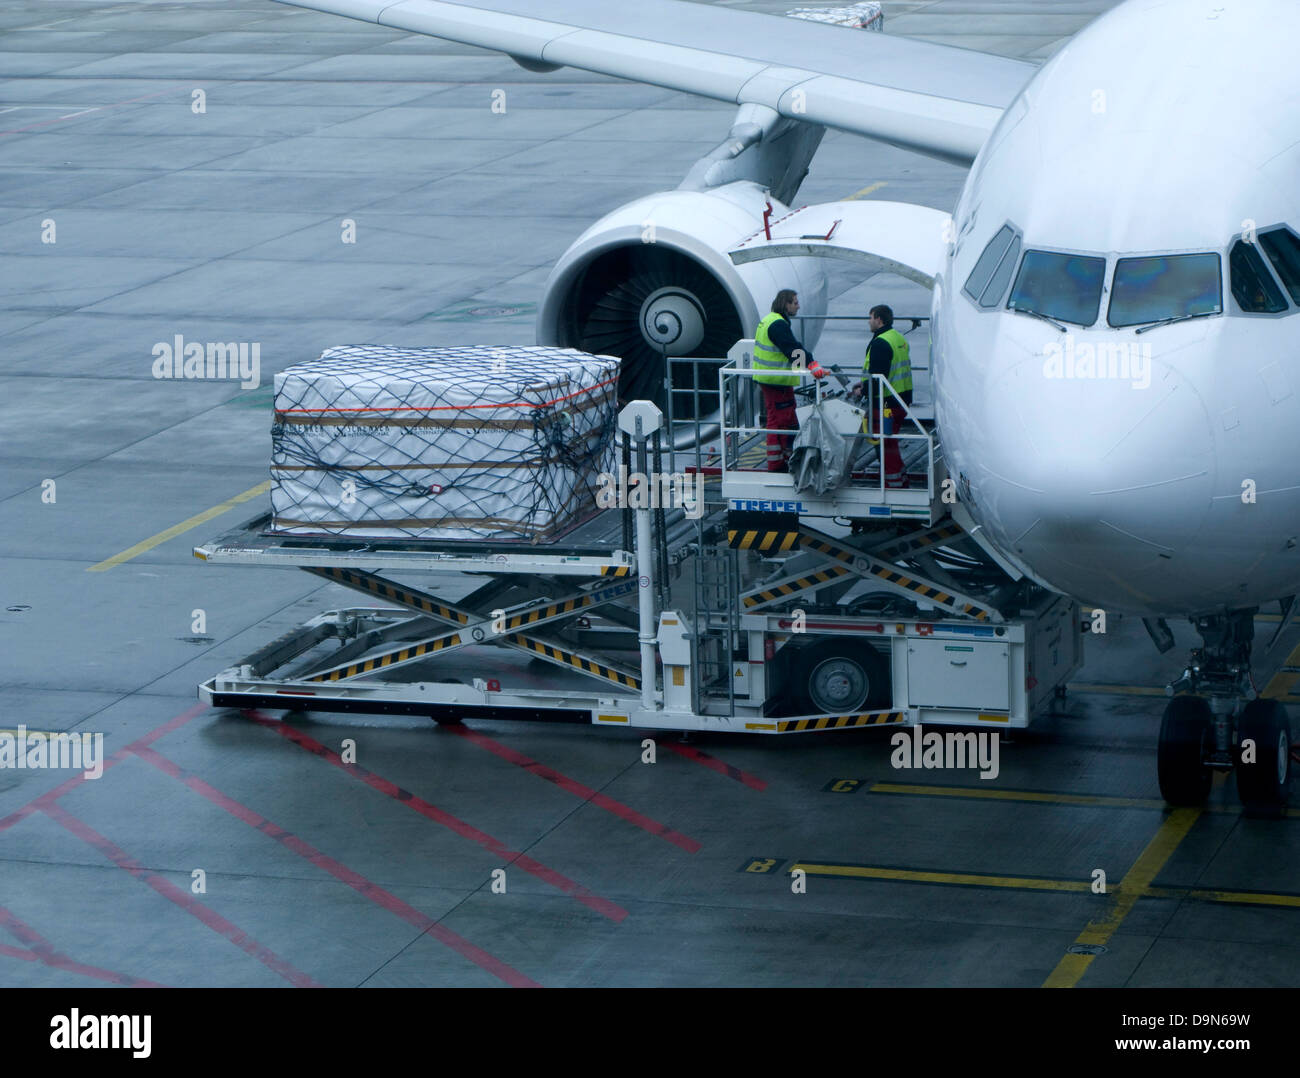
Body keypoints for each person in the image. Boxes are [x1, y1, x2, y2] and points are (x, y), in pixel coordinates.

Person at [751, 289, 826, 472]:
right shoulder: (778, 325)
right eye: (795, 302)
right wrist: (812, 365)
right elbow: (792, 349)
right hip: (776, 381)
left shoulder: (771, 320)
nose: (798, 305)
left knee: (786, 418)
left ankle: (784, 457)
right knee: (779, 420)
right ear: (786, 304)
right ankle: (776, 463)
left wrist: (804, 366)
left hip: (772, 379)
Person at [853, 304, 913, 488]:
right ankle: (900, 477)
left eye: (870, 318)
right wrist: (864, 384)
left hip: (887, 403)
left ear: (879, 320)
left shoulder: (880, 343)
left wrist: (862, 391)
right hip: (902, 398)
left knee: (884, 445)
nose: (869, 322)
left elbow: (879, 377)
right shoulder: (897, 337)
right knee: (890, 441)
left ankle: (893, 484)